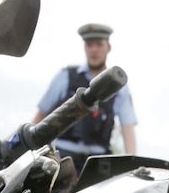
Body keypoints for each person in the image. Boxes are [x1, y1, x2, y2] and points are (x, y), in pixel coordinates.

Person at [32, 23, 137, 172]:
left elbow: (127, 127)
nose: (94, 49)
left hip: (98, 164)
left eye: (99, 44)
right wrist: (29, 151)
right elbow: (41, 116)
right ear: (84, 48)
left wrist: (131, 165)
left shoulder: (119, 86)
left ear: (108, 48)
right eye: (89, 45)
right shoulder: (65, 76)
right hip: (60, 159)